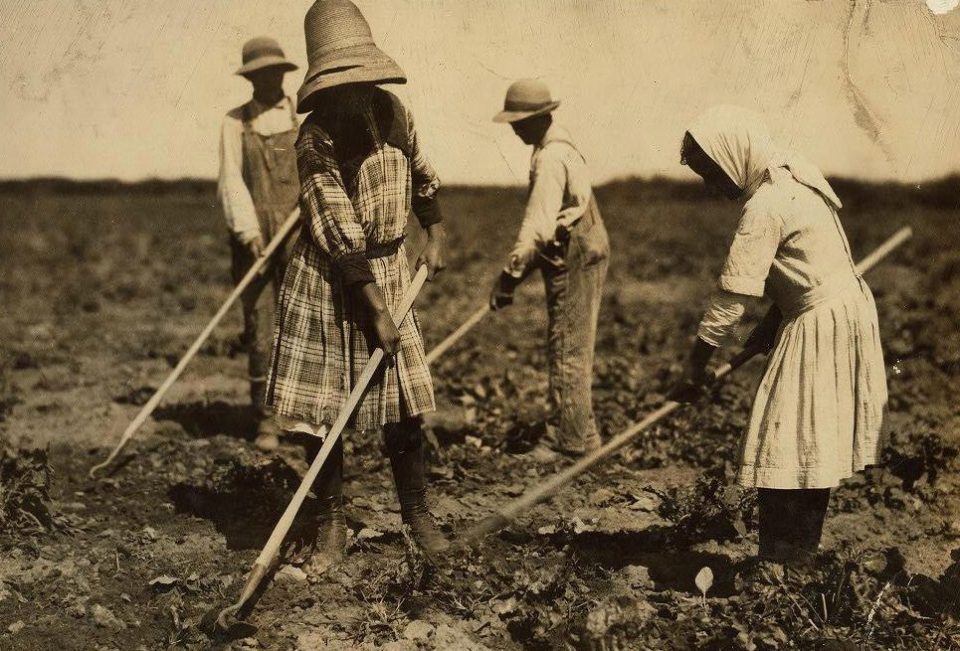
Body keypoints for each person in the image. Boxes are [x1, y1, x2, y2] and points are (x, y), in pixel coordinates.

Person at [265, 0, 449, 571]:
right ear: (323, 81)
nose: (352, 92)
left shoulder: (395, 111)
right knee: (328, 412)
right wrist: (376, 310)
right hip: (332, 278)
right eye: (340, 82)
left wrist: (433, 233)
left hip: (392, 271)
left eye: (359, 78)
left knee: (404, 403)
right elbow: (337, 230)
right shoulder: (315, 136)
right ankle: (333, 521)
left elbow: (422, 174)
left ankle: (416, 514)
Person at [668, 105, 888, 564]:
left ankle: (784, 561)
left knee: (786, 439)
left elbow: (731, 298)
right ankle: (793, 558)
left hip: (821, 321)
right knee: (807, 438)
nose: (712, 186)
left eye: (713, 174)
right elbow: (805, 268)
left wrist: (694, 369)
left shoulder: (764, 207)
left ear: (734, 161)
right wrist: (771, 323)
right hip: (834, 312)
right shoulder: (791, 179)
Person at [489, 79, 610, 461]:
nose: (513, 128)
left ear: (539, 118)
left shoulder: (551, 157)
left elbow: (538, 227)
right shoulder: (558, 147)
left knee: (567, 344)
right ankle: (583, 434)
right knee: (572, 340)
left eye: (519, 121)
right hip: (579, 244)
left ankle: (566, 441)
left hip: (574, 250)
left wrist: (508, 277)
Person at [217, 36, 300, 451]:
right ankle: (266, 420)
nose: (270, 81)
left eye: (276, 73)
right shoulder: (235, 122)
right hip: (255, 238)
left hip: (301, 235)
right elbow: (232, 181)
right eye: (261, 75)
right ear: (251, 79)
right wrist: (249, 233)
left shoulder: (303, 116)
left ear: (283, 75)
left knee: (306, 323)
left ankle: (302, 415)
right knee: (261, 327)